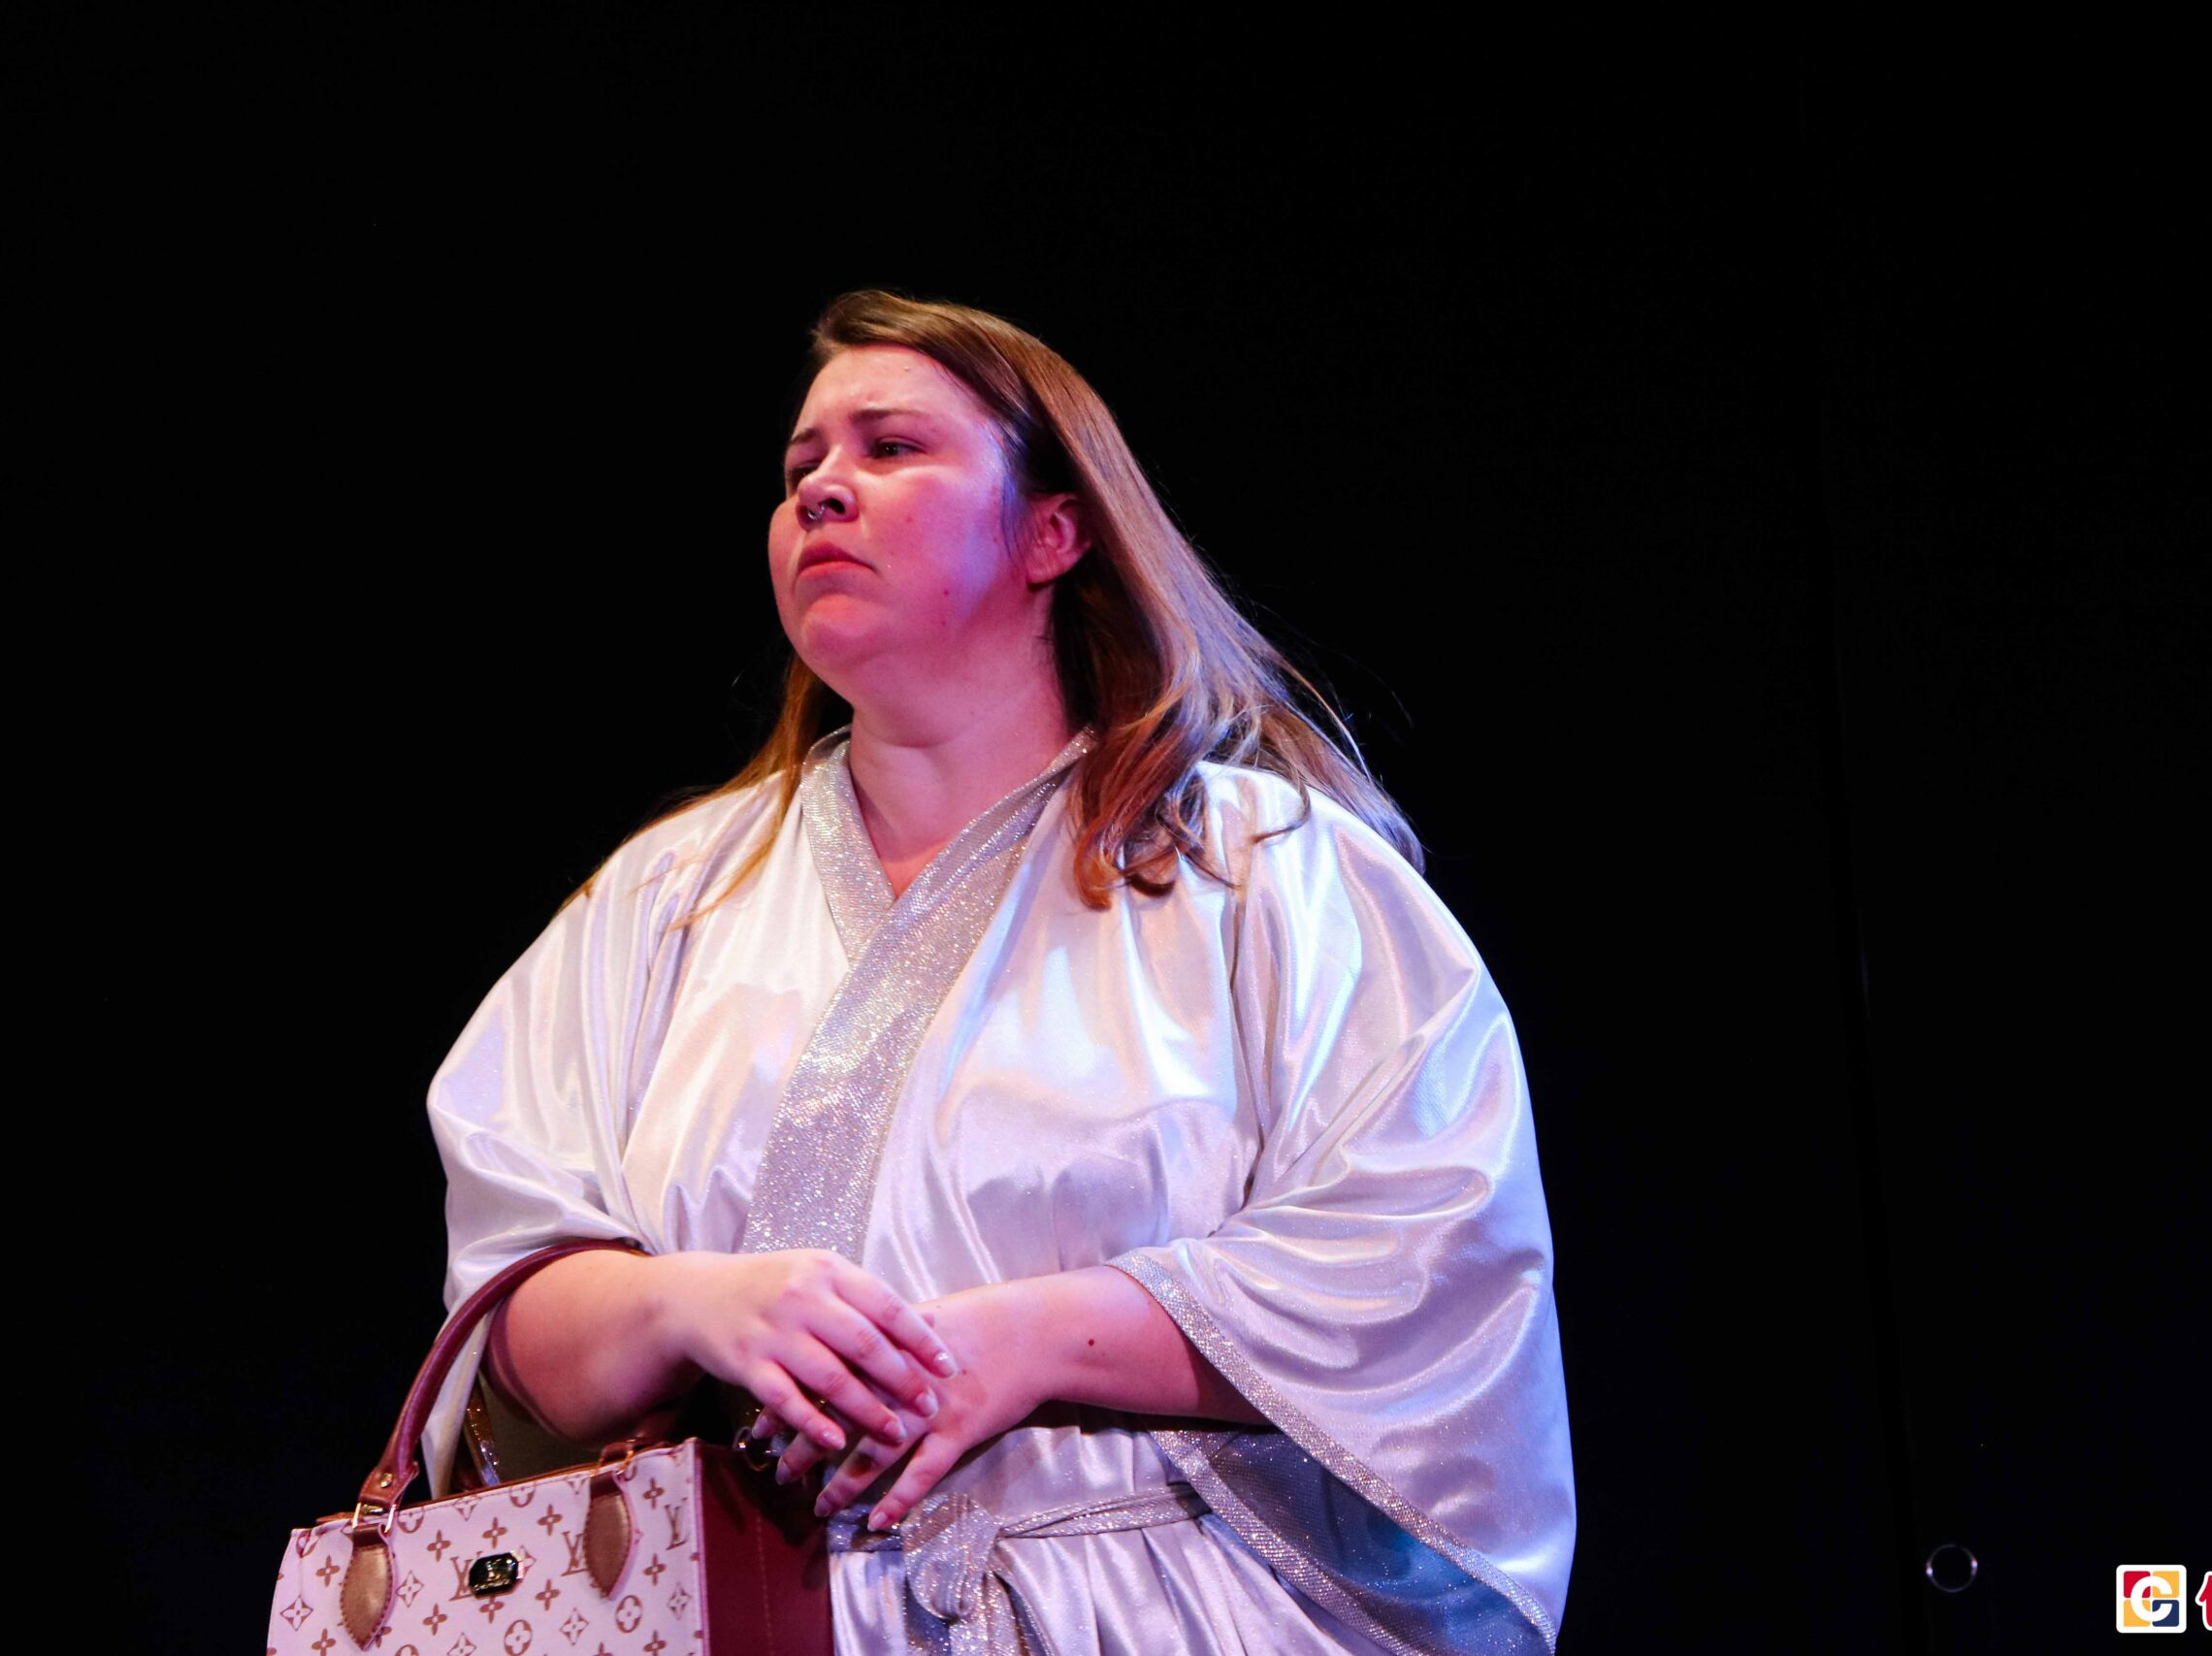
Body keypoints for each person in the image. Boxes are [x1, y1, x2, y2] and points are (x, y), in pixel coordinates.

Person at [420, 290, 1576, 1655]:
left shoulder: (1264, 872)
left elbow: (1422, 1257)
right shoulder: (664, 900)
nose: (822, 491)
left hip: (1149, 1612)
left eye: (892, 448)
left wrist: (1029, 1339)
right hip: (734, 1610)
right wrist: (692, 1306)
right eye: (800, 468)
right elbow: (511, 1317)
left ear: (1052, 532)